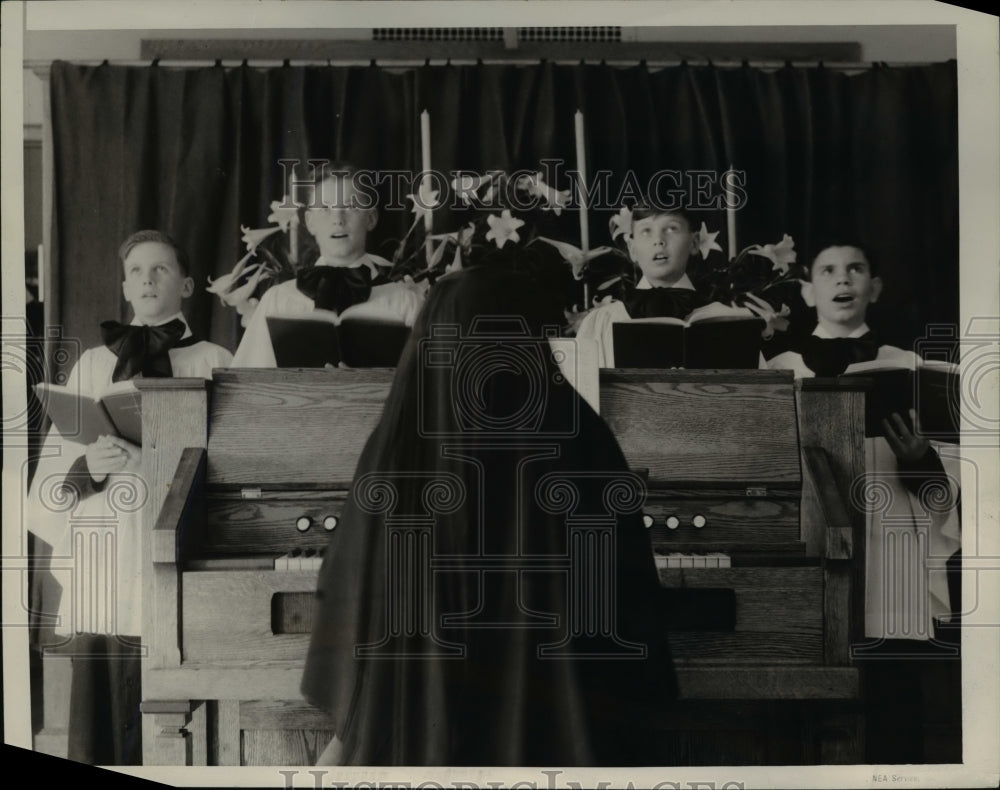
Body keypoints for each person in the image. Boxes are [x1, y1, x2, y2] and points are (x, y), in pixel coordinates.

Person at [301, 265, 678, 766]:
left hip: (424, 737)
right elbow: (629, 604)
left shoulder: (399, 447)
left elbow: (353, 598)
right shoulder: (585, 438)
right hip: (563, 738)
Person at [28, 230, 232, 764]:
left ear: (186, 285)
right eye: (137, 271)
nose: (147, 279)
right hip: (107, 553)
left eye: (161, 269)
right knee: (99, 719)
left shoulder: (215, 360)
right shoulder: (94, 365)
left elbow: (236, 464)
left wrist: (155, 464)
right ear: (123, 286)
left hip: (176, 544)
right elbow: (53, 473)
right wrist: (89, 467)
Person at [767, 240, 961, 761]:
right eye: (828, 270)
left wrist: (920, 458)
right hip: (810, 528)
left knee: (892, 696)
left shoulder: (907, 367)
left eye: (856, 269)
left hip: (892, 535)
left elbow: (946, 486)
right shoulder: (779, 367)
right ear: (807, 290)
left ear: (874, 287)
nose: (843, 279)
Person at [232, 163, 424, 367]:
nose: (338, 220)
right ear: (310, 222)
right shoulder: (278, 302)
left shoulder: (406, 303)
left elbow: (428, 381)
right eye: (325, 208)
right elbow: (248, 381)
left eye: (351, 207)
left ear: (371, 218)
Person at [574, 204, 711, 367]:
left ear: (694, 243)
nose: (658, 241)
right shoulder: (600, 323)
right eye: (646, 231)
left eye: (671, 229)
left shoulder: (722, 318)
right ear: (632, 248)